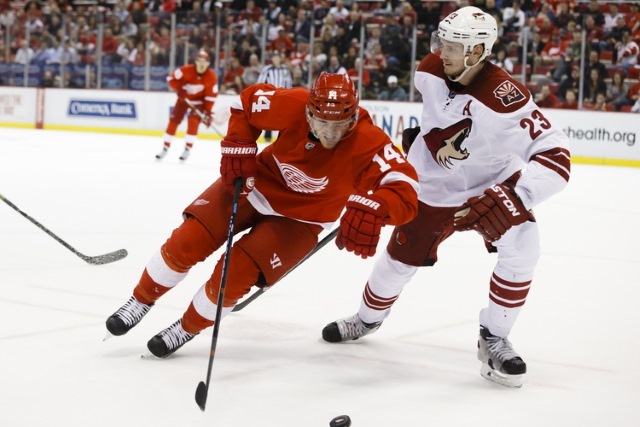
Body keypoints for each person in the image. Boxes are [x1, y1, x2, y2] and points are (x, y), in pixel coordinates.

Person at [321, 6, 571, 389]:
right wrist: (421, 139)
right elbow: (444, 117)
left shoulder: (505, 99)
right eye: (441, 42)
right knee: (397, 264)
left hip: (490, 187)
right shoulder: (429, 68)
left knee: (524, 246)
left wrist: (516, 197)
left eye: (452, 45)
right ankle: (367, 318)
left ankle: (494, 338)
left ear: (476, 52)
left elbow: (557, 156)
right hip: (431, 187)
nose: (441, 51)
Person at [105, 72, 419, 358]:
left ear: (352, 118)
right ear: (308, 112)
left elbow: (403, 186)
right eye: (321, 122)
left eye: (339, 125)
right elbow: (246, 102)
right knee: (187, 241)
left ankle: (186, 328)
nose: (330, 133)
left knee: (234, 276)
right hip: (255, 186)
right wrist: (240, 142)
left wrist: (380, 208)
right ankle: (141, 299)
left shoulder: (369, 141)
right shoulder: (293, 103)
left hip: (303, 219)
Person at [155, 50, 218, 161]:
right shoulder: (185, 70)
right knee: (173, 121)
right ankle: (165, 147)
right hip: (184, 100)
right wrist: (179, 88)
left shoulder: (211, 77)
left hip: (199, 103)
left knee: (193, 122)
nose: (202, 64)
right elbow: (170, 79)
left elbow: (211, 97)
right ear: (196, 62)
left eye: (204, 62)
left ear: (208, 63)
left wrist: (207, 111)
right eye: (199, 61)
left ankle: (187, 149)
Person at [257, 51, 292, 143]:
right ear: (272, 59)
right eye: (274, 57)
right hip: (271, 96)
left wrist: (289, 94)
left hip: (283, 96)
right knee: (270, 116)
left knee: (282, 116)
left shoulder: (285, 69)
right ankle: (267, 135)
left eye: (277, 57)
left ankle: (282, 135)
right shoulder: (267, 69)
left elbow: (288, 83)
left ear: (280, 58)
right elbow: (260, 82)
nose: (276, 59)